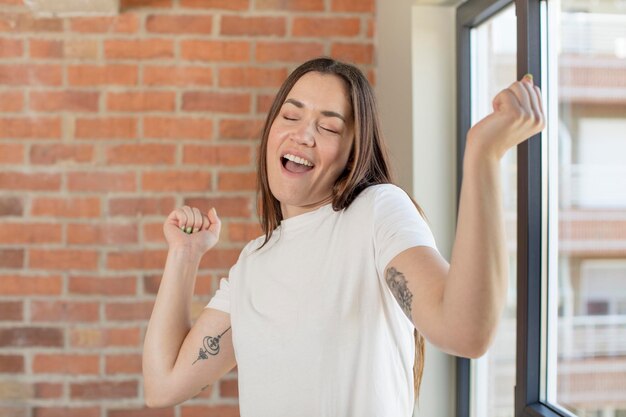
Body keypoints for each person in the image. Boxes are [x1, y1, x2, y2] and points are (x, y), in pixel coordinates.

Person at [142, 57, 545, 416]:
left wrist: (483, 155)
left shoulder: (375, 211)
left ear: (353, 153)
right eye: (291, 116)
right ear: (270, 132)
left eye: (329, 126)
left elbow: (465, 332)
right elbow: (163, 386)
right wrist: (185, 254)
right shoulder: (253, 263)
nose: (304, 135)